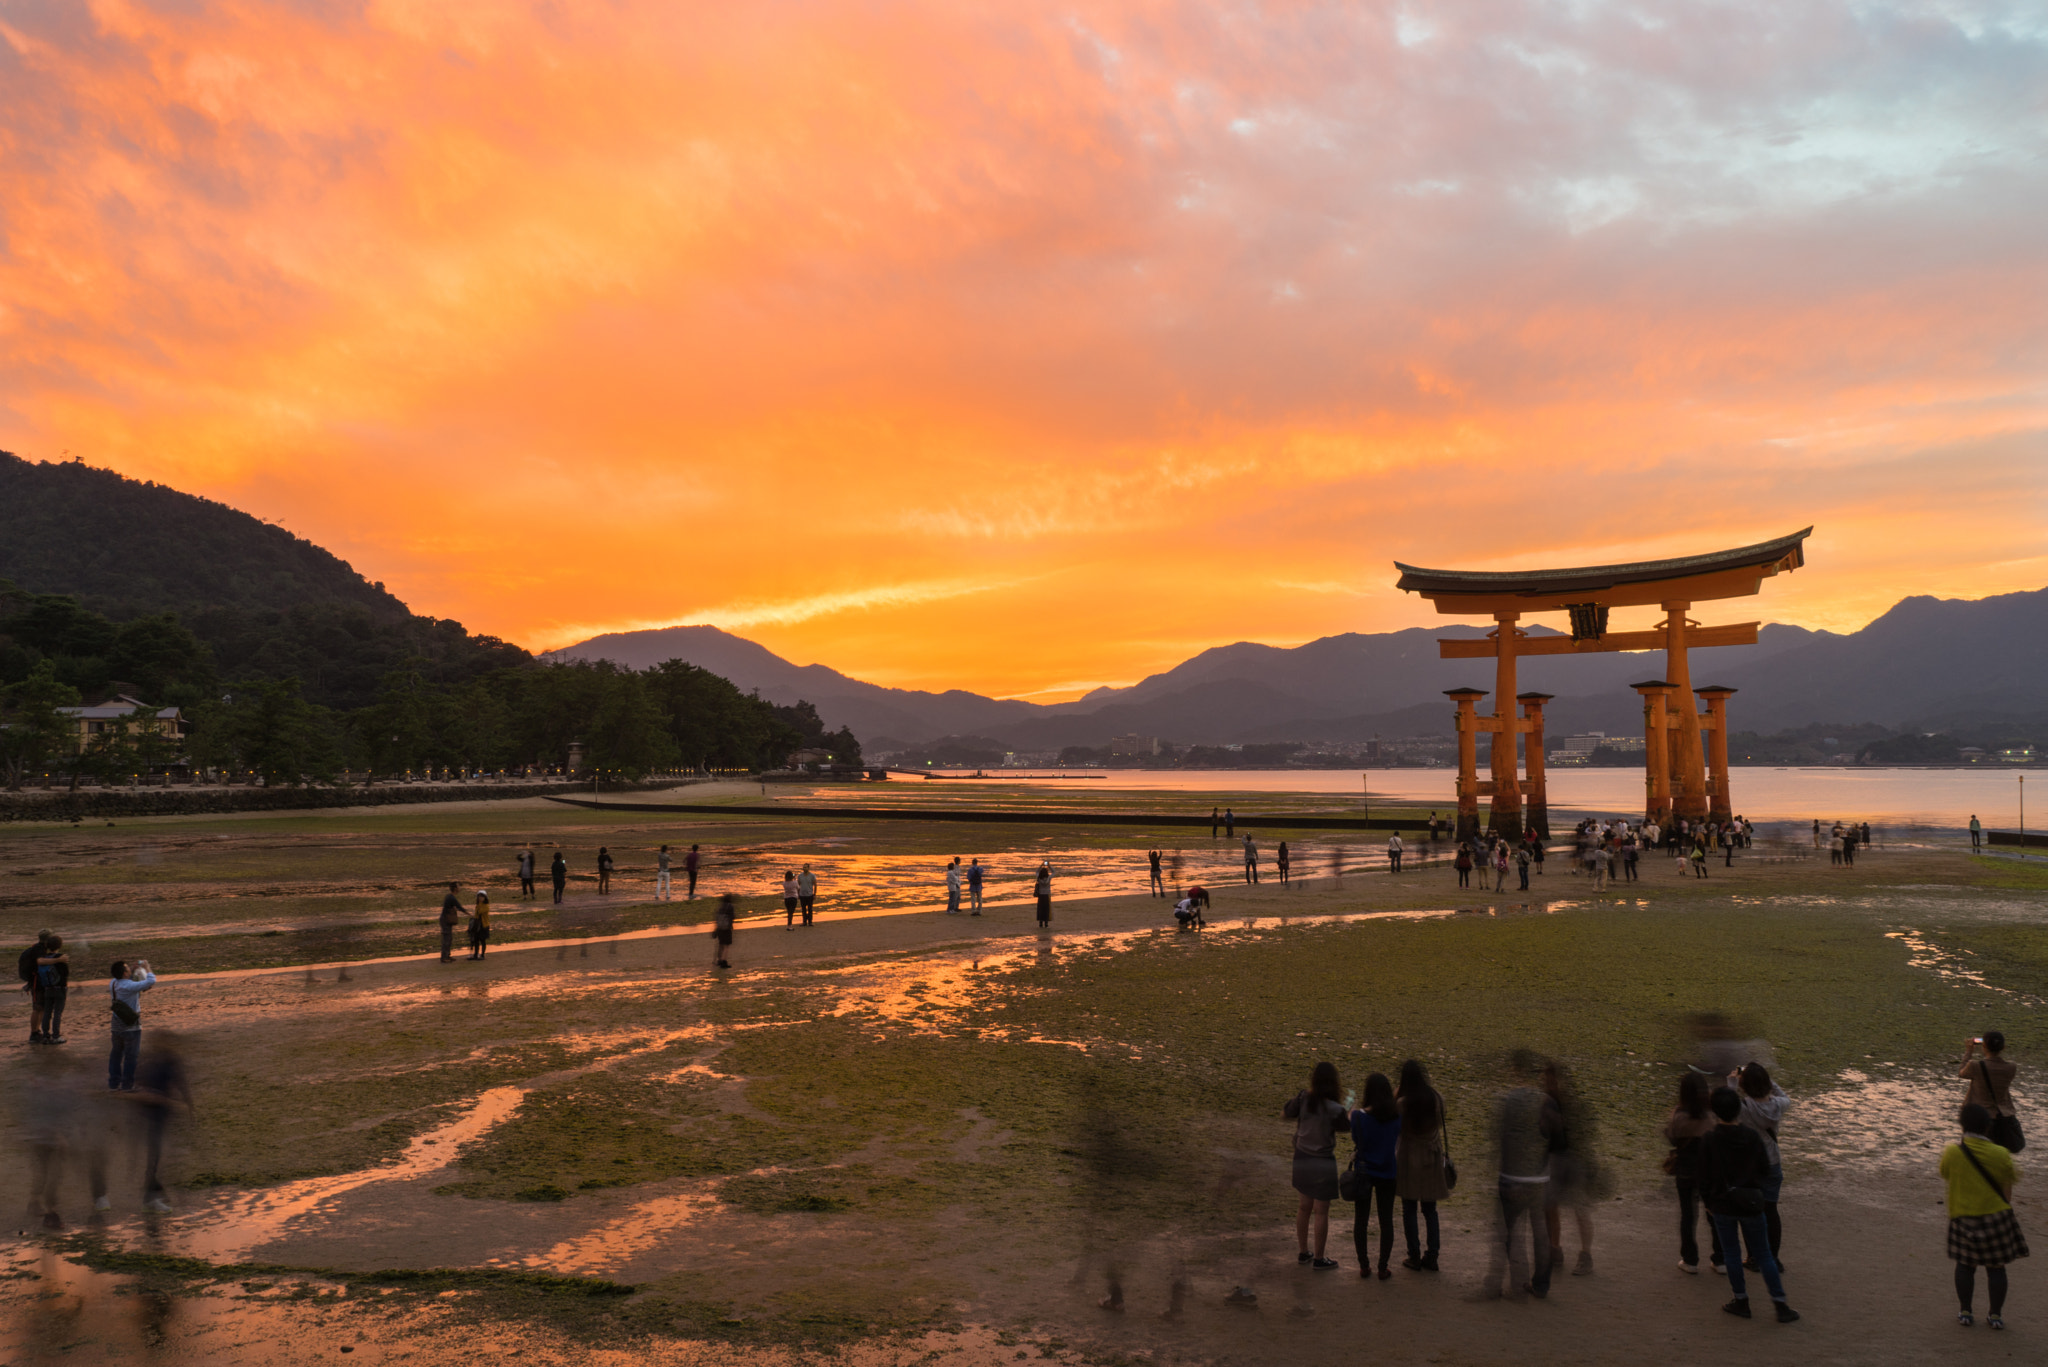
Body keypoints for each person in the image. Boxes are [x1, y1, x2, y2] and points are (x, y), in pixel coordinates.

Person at [1699, 1086, 1799, 1321]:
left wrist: (1708, 1202)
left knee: (1732, 1254)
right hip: (1751, 1201)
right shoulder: (1752, 1137)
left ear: (1715, 1111)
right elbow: (1764, 1169)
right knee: (1764, 1254)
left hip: (1722, 1203)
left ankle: (1741, 1300)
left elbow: (1703, 1175)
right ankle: (1780, 1304)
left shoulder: (1710, 1139)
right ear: (1738, 1109)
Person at [1943, 1102, 2026, 1329]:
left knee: (1965, 1266)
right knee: (1996, 1268)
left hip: (1963, 1218)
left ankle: (1965, 1311)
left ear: (1962, 1125)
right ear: (1988, 1126)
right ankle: (1995, 1315)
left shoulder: (1953, 1152)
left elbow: (1945, 1172)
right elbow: (2010, 1184)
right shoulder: (2001, 1154)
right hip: (1995, 1219)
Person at [1486, 1051, 1560, 1300]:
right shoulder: (1546, 1102)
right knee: (1540, 1233)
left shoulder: (1508, 1100)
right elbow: (1557, 1139)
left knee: (1510, 1232)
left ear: (1515, 1071)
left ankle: (1518, 1282)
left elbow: (1499, 1138)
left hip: (1512, 1177)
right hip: (1539, 1178)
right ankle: (1541, 1285)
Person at [1541, 1060, 1608, 1276]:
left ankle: (1585, 1254)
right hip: (1554, 1158)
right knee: (1550, 1206)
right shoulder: (1545, 1102)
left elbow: (1585, 1134)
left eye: (1552, 1079)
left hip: (1575, 1159)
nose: (1550, 1083)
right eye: (1547, 1079)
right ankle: (1555, 1249)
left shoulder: (1572, 1105)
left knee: (1580, 1208)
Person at [1285, 1061, 1348, 1270]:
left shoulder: (1304, 1098)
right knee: (1321, 1212)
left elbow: (1287, 1111)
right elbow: (1345, 1127)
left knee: (1304, 1207)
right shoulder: (1335, 1108)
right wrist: (1348, 1111)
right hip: (1323, 1161)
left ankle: (1303, 1252)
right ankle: (1319, 1258)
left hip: (1302, 1156)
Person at [1733, 1061, 1792, 1265]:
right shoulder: (1778, 1105)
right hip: (1772, 1162)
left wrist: (1733, 1081)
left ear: (1744, 1085)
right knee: (1771, 1211)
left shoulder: (1743, 1108)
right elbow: (1784, 1096)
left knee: (1749, 1211)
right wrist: (1767, 1081)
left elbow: (1728, 1102)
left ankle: (1753, 1257)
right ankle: (1773, 1257)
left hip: (1749, 1165)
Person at [1395, 1059, 1449, 1272]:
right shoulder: (1436, 1098)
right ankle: (1432, 1255)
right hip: (1431, 1156)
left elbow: (1394, 1125)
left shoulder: (1402, 1103)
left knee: (1409, 1209)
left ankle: (1414, 1255)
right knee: (1430, 1209)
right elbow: (1441, 1122)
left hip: (1409, 1157)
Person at [1664, 1071, 1718, 1274]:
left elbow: (1672, 1137)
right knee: (1714, 1214)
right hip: (1709, 1170)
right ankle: (1720, 1259)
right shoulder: (1711, 1116)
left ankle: (1690, 1259)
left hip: (1686, 1170)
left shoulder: (1679, 1116)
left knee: (1688, 1215)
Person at [1350, 1072, 1402, 1280]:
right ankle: (1383, 1267)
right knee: (1386, 1220)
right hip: (1388, 1171)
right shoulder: (1396, 1118)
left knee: (1361, 1220)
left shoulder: (1358, 1117)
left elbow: (1356, 1139)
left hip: (1364, 1171)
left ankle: (1364, 1265)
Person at [135, 1031, 191, 1214]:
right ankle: (150, 1198)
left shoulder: (168, 1060)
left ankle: (155, 1193)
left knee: (159, 1157)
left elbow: (181, 1084)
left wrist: (188, 1105)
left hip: (161, 1115)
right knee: (155, 1158)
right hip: (152, 1116)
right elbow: (140, 1086)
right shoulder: (153, 1062)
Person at [1961, 1032, 2022, 1151]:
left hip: (1979, 1116)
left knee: (1975, 1151)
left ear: (1984, 1046)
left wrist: (1969, 1051)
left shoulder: (1975, 1065)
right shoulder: (2011, 1067)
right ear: (2003, 1047)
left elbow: (1962, 1073)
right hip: (2003, 1115)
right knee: (1998, 1151)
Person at [107, 958, 154, 1092]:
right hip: (131, 1025)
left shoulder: (113, 983)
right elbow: (150, 981)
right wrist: (147, 968)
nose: (129, 969)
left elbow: (129, 983)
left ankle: (114, 1083)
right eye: (127, 969)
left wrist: (132, 971)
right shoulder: (129, 986)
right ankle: (127, 1085)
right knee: (131, 1056)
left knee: (116, 1054)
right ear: (124, 973)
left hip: (116, 1023)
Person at [35, 935, 69, 1044]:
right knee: (57, 1013)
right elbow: (65, 973)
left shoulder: (45, 958)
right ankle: (56, 1036)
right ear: (60, 945)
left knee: (47, 1013)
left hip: (47, 988)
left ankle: (45, 1035)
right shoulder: (61, 958)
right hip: (60, 989)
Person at [21, 929, 53, 1045]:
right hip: (36, 982)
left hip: (39, 982)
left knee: (42, 1008)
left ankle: (37, 1031)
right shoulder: (38, 949)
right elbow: (40, 961)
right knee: (37, 1008)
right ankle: (33, 1033)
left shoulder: (40, 948)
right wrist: (58, 959)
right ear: (47, 939)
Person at [438, 882, 462, 962]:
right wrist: (469, 914)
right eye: (458, 886)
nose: (460, 888)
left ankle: (447, 956)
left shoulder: (449, 897)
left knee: (448, 938)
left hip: (446, 920)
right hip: (445, 920)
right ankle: (444, 957)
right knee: (447, 939)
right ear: (455, 888)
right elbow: (459, 907)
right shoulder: (451, 897)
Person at [711, 894, 735, 970]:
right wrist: (730, 926)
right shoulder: (730, 906)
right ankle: (724, 961)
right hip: (726, 928)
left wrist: (716, 928)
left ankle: (719, 960)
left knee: (721, 944)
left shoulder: (720, 907)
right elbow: (732, 917)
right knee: (726, 945)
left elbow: (716, 918)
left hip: (719, 928)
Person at [467, 891, 491, 960]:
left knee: (483, 940)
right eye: (479, 897)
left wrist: (479, 904)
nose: (480, 898)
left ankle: (482, 955)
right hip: (477, 925)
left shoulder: (486, 906)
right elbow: (476, 914)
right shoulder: (478, 905)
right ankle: (475, 954)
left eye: (482, 897)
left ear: (485, 898)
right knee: (476, 940)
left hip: (484, 925)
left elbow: (480, 911)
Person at [1034, 862, 1053, 929]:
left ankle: (1041, 923)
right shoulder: (1049, 878)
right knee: (1046, 909)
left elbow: (1037, 871)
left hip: (1041, 895)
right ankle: (1046, 923)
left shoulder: (1039, 878)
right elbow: (1054, 872)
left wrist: (1041, 865)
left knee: (1041, 909)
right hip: (1047, 895)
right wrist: (1049, 866)